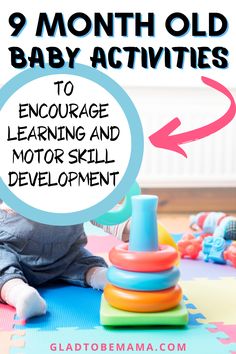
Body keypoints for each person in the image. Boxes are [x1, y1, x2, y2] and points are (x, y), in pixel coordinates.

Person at [0, 201, 130, 320]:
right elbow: (102, 210)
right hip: (15, 251)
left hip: (65, 254)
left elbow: (101, 209)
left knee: (83, 261)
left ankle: (101, 276)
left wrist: (128, 224)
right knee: (3, 263)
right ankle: (19, 292)